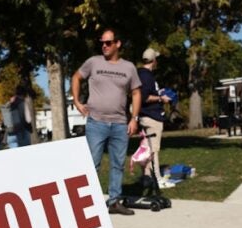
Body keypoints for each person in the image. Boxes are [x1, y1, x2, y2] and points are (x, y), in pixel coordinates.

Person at [72, 28, 142, 215]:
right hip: (96, 122)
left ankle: (114, 202)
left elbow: (136, 93)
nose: (104, 45)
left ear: (118, 44)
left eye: (108, 42)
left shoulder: (129, 67)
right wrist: (77, 102)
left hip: (120, 124)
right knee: (92, 163)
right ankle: (87, 205)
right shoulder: (93, 62)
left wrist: (134, 119)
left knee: (117, 164)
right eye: (102, 42)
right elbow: (76, 77)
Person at [136, 47, 173, 189]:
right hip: (152, 117)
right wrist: (160, 98)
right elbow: (144, 97)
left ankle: (146, 178)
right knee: (153, 150)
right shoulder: (146, 76)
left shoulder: (140, 74)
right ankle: (158, 180)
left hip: (145, 117)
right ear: (154, 60)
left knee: (146, 149)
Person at [3, 84, 33, 149]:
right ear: (24, 93)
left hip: (10, 133)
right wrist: (30, 128)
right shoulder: (22, 102)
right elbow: (28, 119)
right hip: (22, 133)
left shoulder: (8, 103)